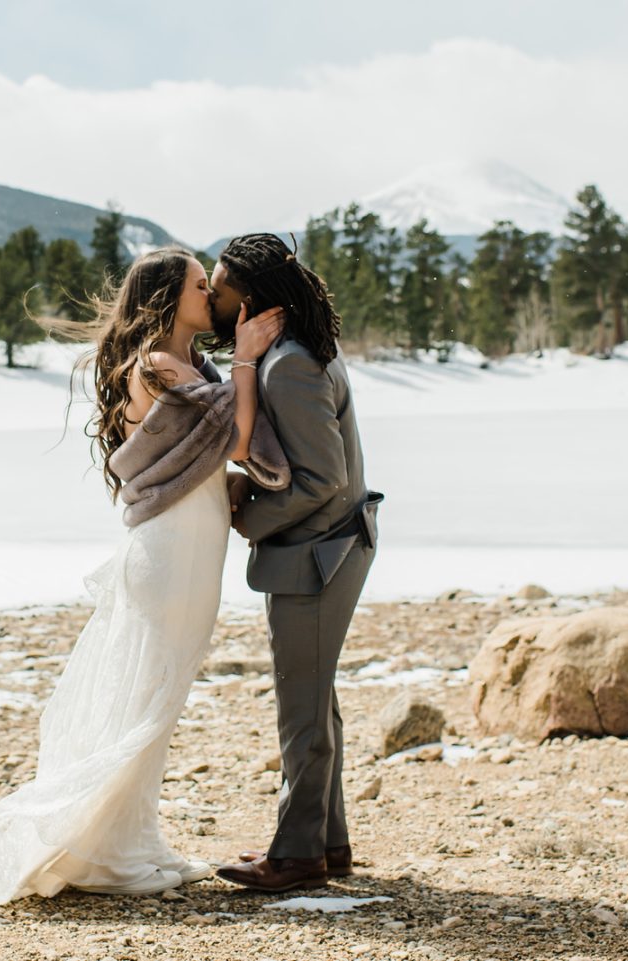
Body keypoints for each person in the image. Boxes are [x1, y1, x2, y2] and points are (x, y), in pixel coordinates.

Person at [0, 247, 289, 910]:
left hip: (194, 548)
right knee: (146, 700)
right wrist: (247, 354)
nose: (206, 294)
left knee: (158, 700)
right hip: (171, 555)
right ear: (166, 296)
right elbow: (235, 438)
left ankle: (132, 836)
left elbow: (211, 451)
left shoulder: (194, 365)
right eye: (195, 284)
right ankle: (99, 846)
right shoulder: (157, 365)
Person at [207, 233, 382, 893]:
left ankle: (297, 853)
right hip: (331, 546)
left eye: (218, 286)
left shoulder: (289, 365)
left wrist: (243, 517)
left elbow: (322, 480)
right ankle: (327, 842)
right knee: (317, 703)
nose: (212, 295)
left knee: (301, 712)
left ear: (247, 297)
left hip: (319, 553)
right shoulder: (303, 349)